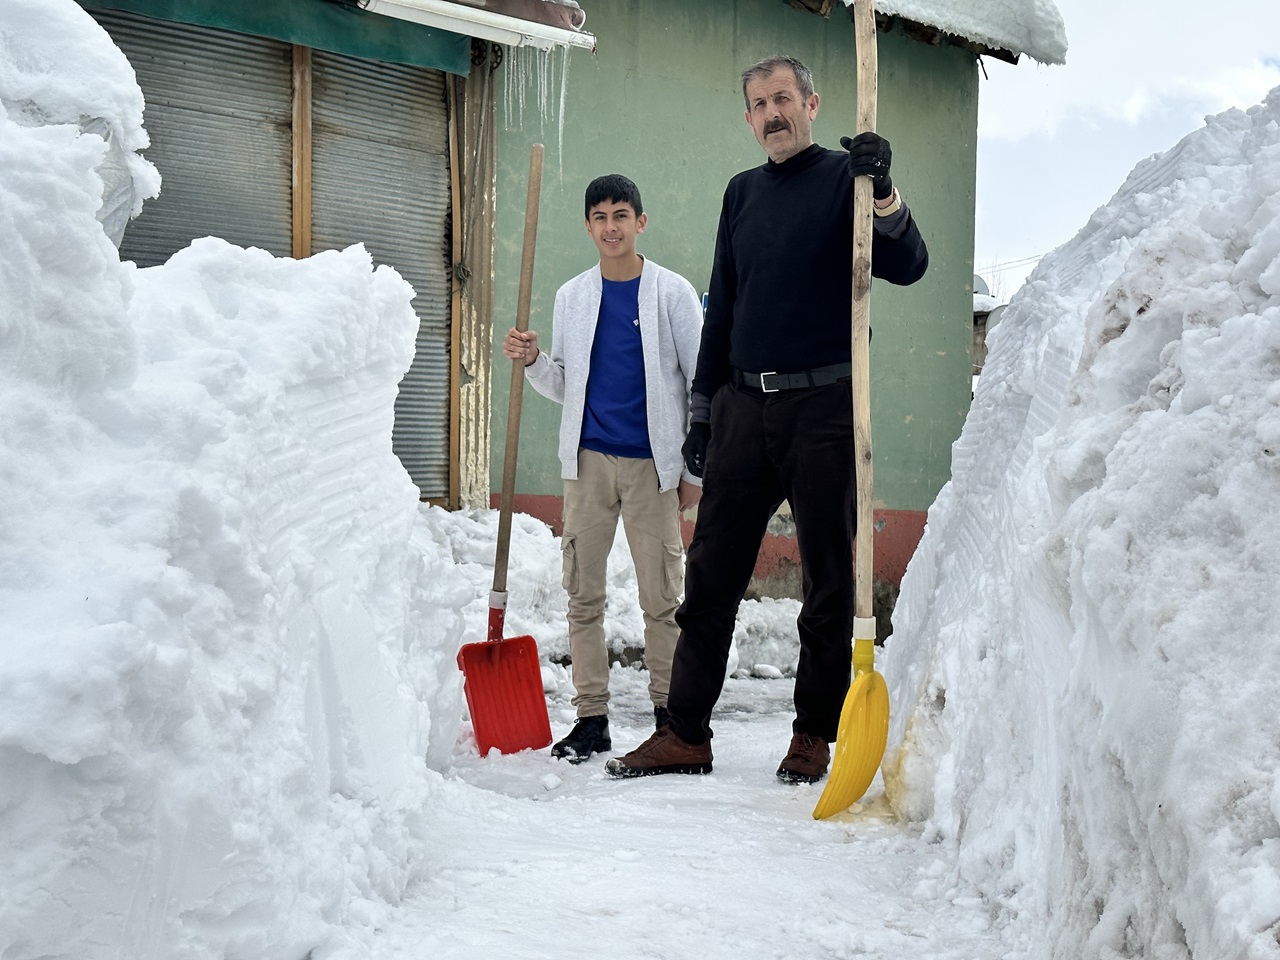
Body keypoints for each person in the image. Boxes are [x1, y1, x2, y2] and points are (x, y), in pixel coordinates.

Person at [606, 55, 929, 783]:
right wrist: (704, 409)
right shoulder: (741, 193)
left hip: (824, 406)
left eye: (783, 97)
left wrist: (883, 194)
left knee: (825, 581)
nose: (772, 113)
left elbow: (909, 263)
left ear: (811, 104)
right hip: (744, 407)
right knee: (712, 575)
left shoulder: (848, 180)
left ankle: (814, 732)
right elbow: (722, 301)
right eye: (758, 104)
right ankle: (685, 731)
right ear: (748, 118)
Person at [503, 174, 704, 763]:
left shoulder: (673, 294)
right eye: (600, 217)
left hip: (652, 468)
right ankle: (591, 717)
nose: (611, 226)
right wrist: (535, 360)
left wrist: (695, 471)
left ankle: (670, 716)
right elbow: (567, 384)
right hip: (587, 463)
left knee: (661, 598)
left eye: (622, 215)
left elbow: (699, 384)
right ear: (588, 226)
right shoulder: (574, 297)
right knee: (581, 596)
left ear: (641, 222)